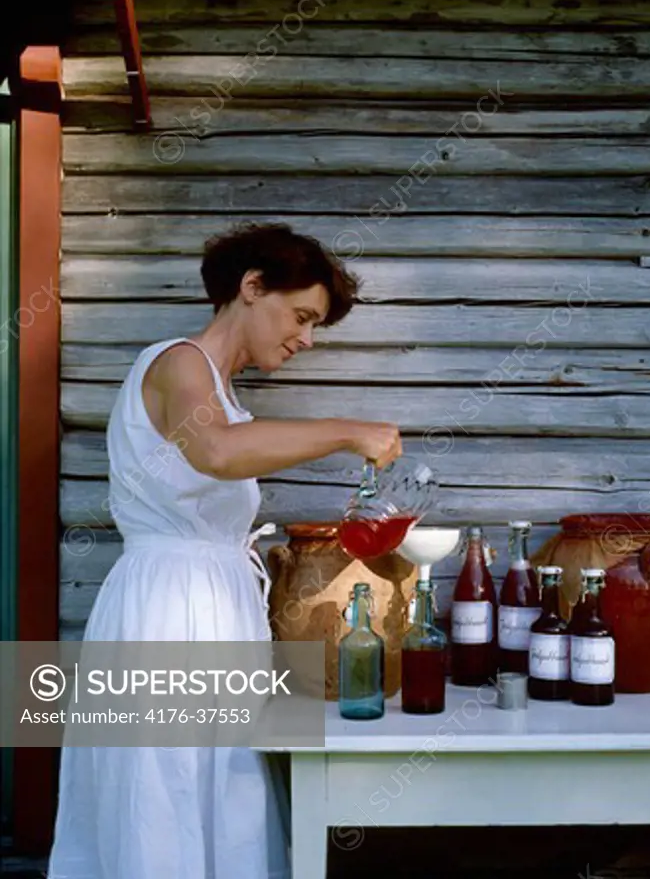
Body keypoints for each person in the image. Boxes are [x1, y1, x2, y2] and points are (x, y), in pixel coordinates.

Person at [47, 222, 403, 879]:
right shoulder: (179, 362)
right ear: (251, 286)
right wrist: (348, 431)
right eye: (301, 316)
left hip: (213, 609)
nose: (306, 338)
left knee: (223, 793)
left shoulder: (222, 393)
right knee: (165, 793)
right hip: (168, 614)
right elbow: (215, 453)